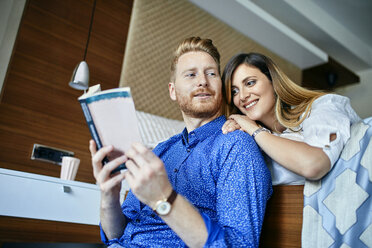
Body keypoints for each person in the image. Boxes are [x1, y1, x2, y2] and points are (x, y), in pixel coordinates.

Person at [89, 37, 272, 247]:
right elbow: (116, 233)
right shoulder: (160, 150)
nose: (202, 81)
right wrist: (109, 195)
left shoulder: (236, 146)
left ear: (221, 87)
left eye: (211, 73)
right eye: (191, 74)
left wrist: (163, 198)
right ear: (173, 90)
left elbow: (241, 245)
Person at [221, 52, 361, 185]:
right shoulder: (251, 142)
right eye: (234, 91)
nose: (242, 96)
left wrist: (254, 129)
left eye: (250, 83)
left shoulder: (324, 106)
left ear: (273, 81)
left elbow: (313, 165)